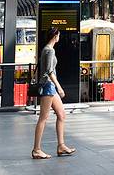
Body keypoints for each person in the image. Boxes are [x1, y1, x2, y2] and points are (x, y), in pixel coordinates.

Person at [32, 28, 75, 160]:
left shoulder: (46, 49)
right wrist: (59, 87)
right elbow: (49, 71)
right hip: (48, 86)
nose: (59, 37)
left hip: (50, 86)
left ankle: (61, 146)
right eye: (58, 35)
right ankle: (36, 150)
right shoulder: (50, 50)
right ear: (55, 36)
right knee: (43, 118)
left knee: (61, 114)